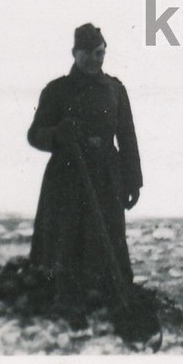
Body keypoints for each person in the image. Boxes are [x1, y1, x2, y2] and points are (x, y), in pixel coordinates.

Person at [27, 23, 143, 324]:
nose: (95, 59)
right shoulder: (56, 91)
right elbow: (35, 135)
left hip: (106, 177)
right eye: (88, 54)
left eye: (100, 53)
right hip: (67, 178)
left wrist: (133, 182)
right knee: (68, 239)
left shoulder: (115, 90)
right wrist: (58, 135)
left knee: (111, 237)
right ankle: (69, 303)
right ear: (74, 53)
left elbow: (127, 137)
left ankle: (118, 300)